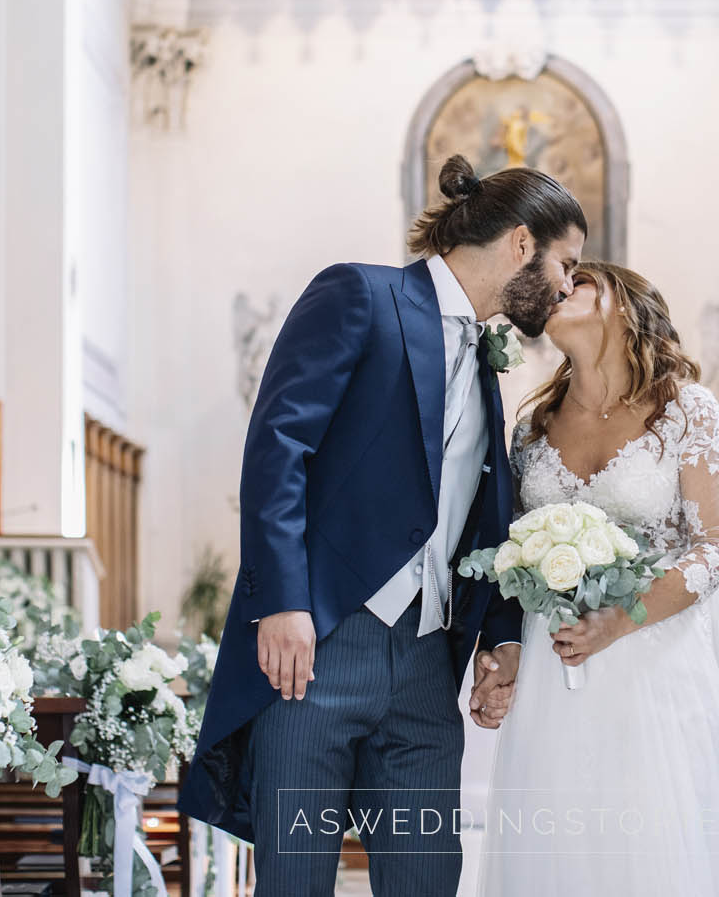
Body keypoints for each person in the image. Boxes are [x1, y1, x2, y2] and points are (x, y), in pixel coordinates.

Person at [179, 154, 587, 896]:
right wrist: (283, 600)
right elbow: (279, 446)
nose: (567, 284)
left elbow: (484, 521)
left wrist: (499, 637)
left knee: (428, 880)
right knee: (295, 881)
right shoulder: (360, 295)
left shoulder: (488, 360)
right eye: (568, 262)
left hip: (429, 669)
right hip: (320, 651)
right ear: (522, 243)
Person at [478, 262, 719, 895]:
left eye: (579, 281)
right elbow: (509, 549)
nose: (559, 289)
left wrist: (621, 617)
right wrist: (500, 651)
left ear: (627, 307)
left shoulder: (685, 410)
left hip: (655, 658)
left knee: (654, 841)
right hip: (553, 667)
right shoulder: (533, 426)